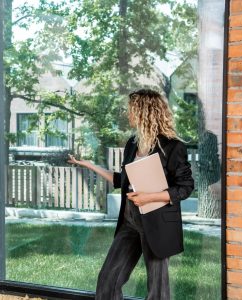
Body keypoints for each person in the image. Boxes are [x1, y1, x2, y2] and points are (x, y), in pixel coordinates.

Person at [68, 89, 194, 300]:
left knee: (157, 291)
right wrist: (88, 165)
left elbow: (185, 187)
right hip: (129, 221)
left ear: (144, 112)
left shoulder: (173, 147)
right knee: (108, 280)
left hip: (156, 222)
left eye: (131, 110)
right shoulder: (132, 144)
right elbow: (123, 180)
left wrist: (149, 198)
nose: (128, 114)